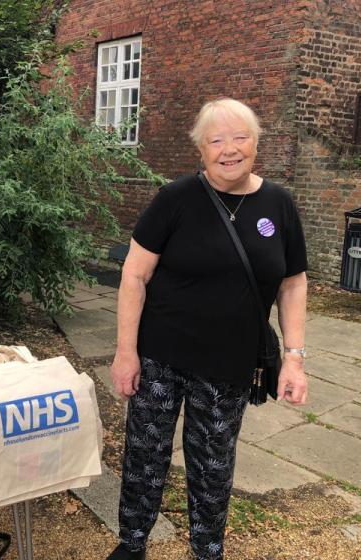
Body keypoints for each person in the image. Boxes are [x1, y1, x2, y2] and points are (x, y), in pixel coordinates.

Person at [107, 98, 309, 560]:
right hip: (160, 355)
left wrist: (294, 359)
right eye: (216, 140)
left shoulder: (278, 204)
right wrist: (125, 352)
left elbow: (293, 284)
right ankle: (132, 543)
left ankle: (207, 549)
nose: (229, 149)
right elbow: (134, 276)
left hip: (229, 364)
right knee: (145, 455)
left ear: (257, 143)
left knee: (212, 465)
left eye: (240, 137)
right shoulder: (174, 199)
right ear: (201, 149)